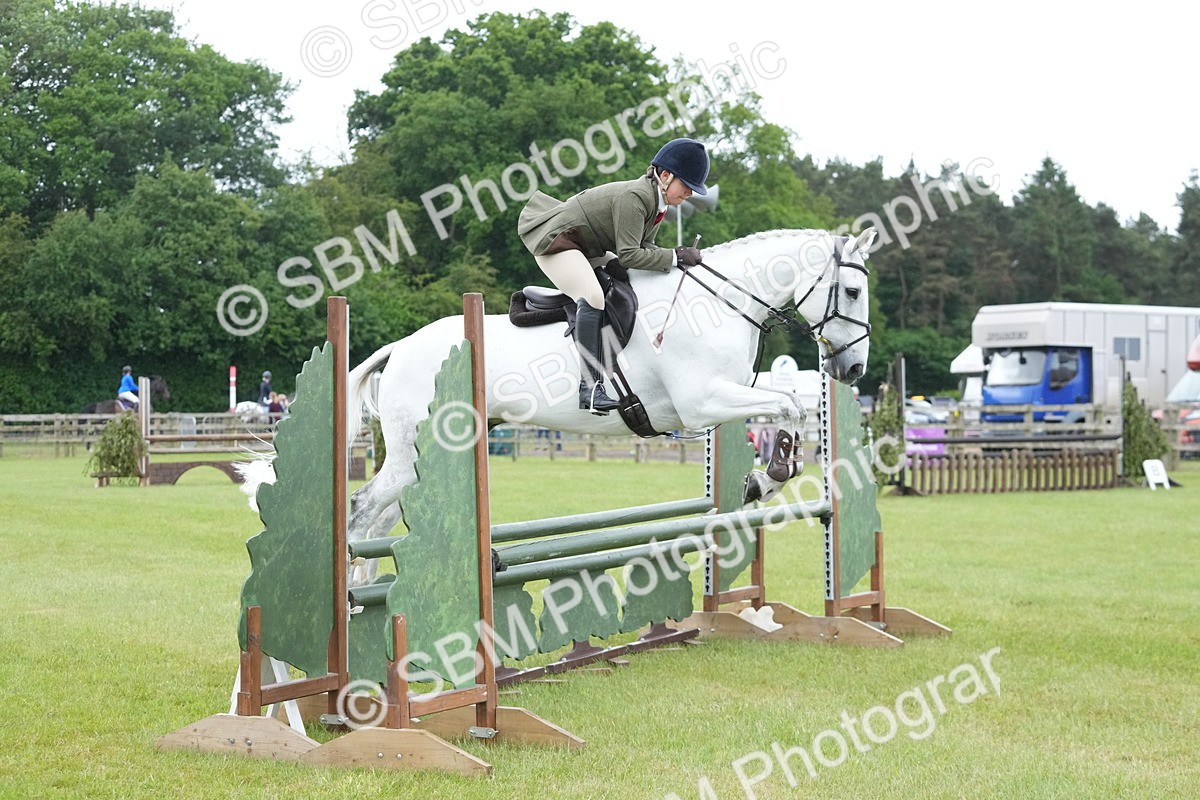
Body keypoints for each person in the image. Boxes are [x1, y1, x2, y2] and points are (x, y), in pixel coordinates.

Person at [518, 137, 710, 414]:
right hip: (556, 243)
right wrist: (675, 256)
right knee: (593, 296)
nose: (691, 193)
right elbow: (631, 255)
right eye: (688, 186)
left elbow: (645, 249)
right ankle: (590, 389)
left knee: (629, 283)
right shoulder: (636, 197)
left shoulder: (658, 203)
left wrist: (674, 260)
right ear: (665, 175)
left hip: (586, 246)